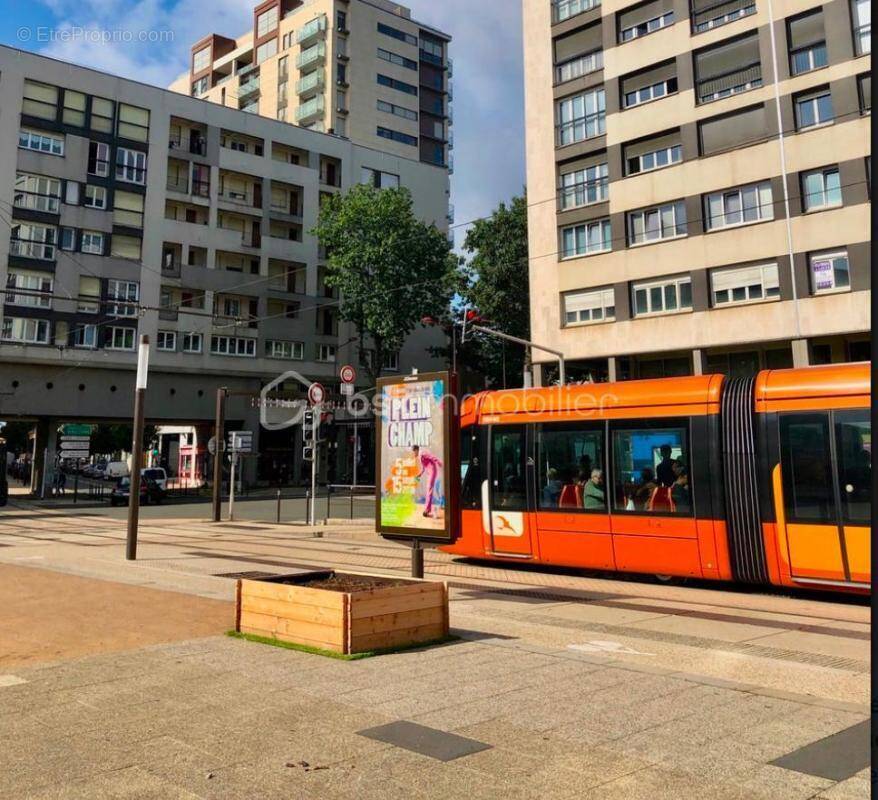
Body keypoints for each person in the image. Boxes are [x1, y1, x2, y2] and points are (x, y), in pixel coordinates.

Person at [412, 445, 443, 518]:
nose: (413, 454)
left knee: (429, 489)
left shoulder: (422, 453)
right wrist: (419, 475)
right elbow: (423, 468)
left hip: (432, 471)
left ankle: (427, 510)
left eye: (413, 452)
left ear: (416, 450)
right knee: (428, 490)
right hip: (429, 472)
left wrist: (439, 462)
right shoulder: (420, 456)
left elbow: (432, 457)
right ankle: (427, 509)